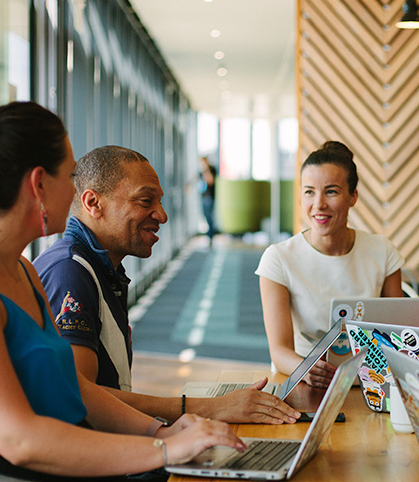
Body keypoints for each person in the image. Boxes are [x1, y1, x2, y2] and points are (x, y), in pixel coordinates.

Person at [0, 102, 246, 482]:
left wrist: (164, 430)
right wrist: (162, 450)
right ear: (39, 183)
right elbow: (19, 439)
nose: (78, 191)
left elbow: (77, 389)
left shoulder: (22, 270)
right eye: (71, 174)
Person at [33, 146, 299, 425]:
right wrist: (205, 410)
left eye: (159, 202)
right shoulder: (69, 273)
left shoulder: (99, 270)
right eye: (145, 201)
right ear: (93, 203)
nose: (161, 215)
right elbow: (78, 401)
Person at [256, 141, 404, 386]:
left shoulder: (382, 251)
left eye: (331, 191)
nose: (319, 204)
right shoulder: (278, 258)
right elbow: (279, 350)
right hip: (305, 380)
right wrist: (307, 369)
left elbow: (397, 332)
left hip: (372, 381)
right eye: (309, 192)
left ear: (353, 196)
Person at [199, 156, 218, 242]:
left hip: (209, 197)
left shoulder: (211, 170)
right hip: (204, 196)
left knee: (209, 216)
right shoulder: (202, 171)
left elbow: (211, 181)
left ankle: (211, 236)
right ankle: (209, 234)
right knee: (205, 215)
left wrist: (206, 171)